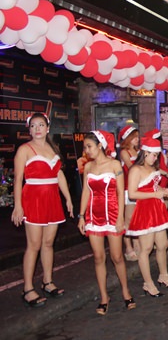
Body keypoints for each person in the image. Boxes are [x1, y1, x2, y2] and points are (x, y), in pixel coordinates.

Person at [11, 112, 73, 308]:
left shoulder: (53, 148)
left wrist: (68, 199)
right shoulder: (24, 149)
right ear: (29, 129)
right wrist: (18, 205)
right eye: (33, 126)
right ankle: (27, 288)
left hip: (52, 200)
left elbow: (60, 176)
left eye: (40, 125)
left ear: (47, 128)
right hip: (33, 200)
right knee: (34, 245)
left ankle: (47, 281)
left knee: (48, 243)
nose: (37, 129)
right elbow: (18, 179)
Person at [77, 131, 135, 314]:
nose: (86, 151)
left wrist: (120, 218)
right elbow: (86, 192)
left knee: (117, 256)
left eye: (89, 147)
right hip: (94, 216)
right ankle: (104, 297)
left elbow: (120, 192)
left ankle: (126, 291)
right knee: (98, 257)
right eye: (85, 147)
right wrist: (81, 216)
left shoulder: (115, 164)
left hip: (112, 214)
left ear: (100, 145)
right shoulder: (88, 167)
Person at [126, 137, 168, 297]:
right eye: (154, 155)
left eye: (157, 155)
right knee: (145, 248)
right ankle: (148, 283)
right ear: (145, 152)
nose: (156, 158)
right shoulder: (136, 170)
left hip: (157, 208)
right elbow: (132, 193)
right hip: (145, 210)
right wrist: (156, 193)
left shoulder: (153, 168)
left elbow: (154, 187)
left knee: (163, 244)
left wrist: (163, 192)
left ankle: (163, 275)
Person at [118, 125, 140, 261]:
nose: (137, 139)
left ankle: (136, 242)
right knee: (128, 219)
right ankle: (128, 247)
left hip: (138, 188)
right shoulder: (124, 152)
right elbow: (132, 169)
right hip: (127, 188)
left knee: (136, 217)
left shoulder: (138, 151)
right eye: (135, 137)